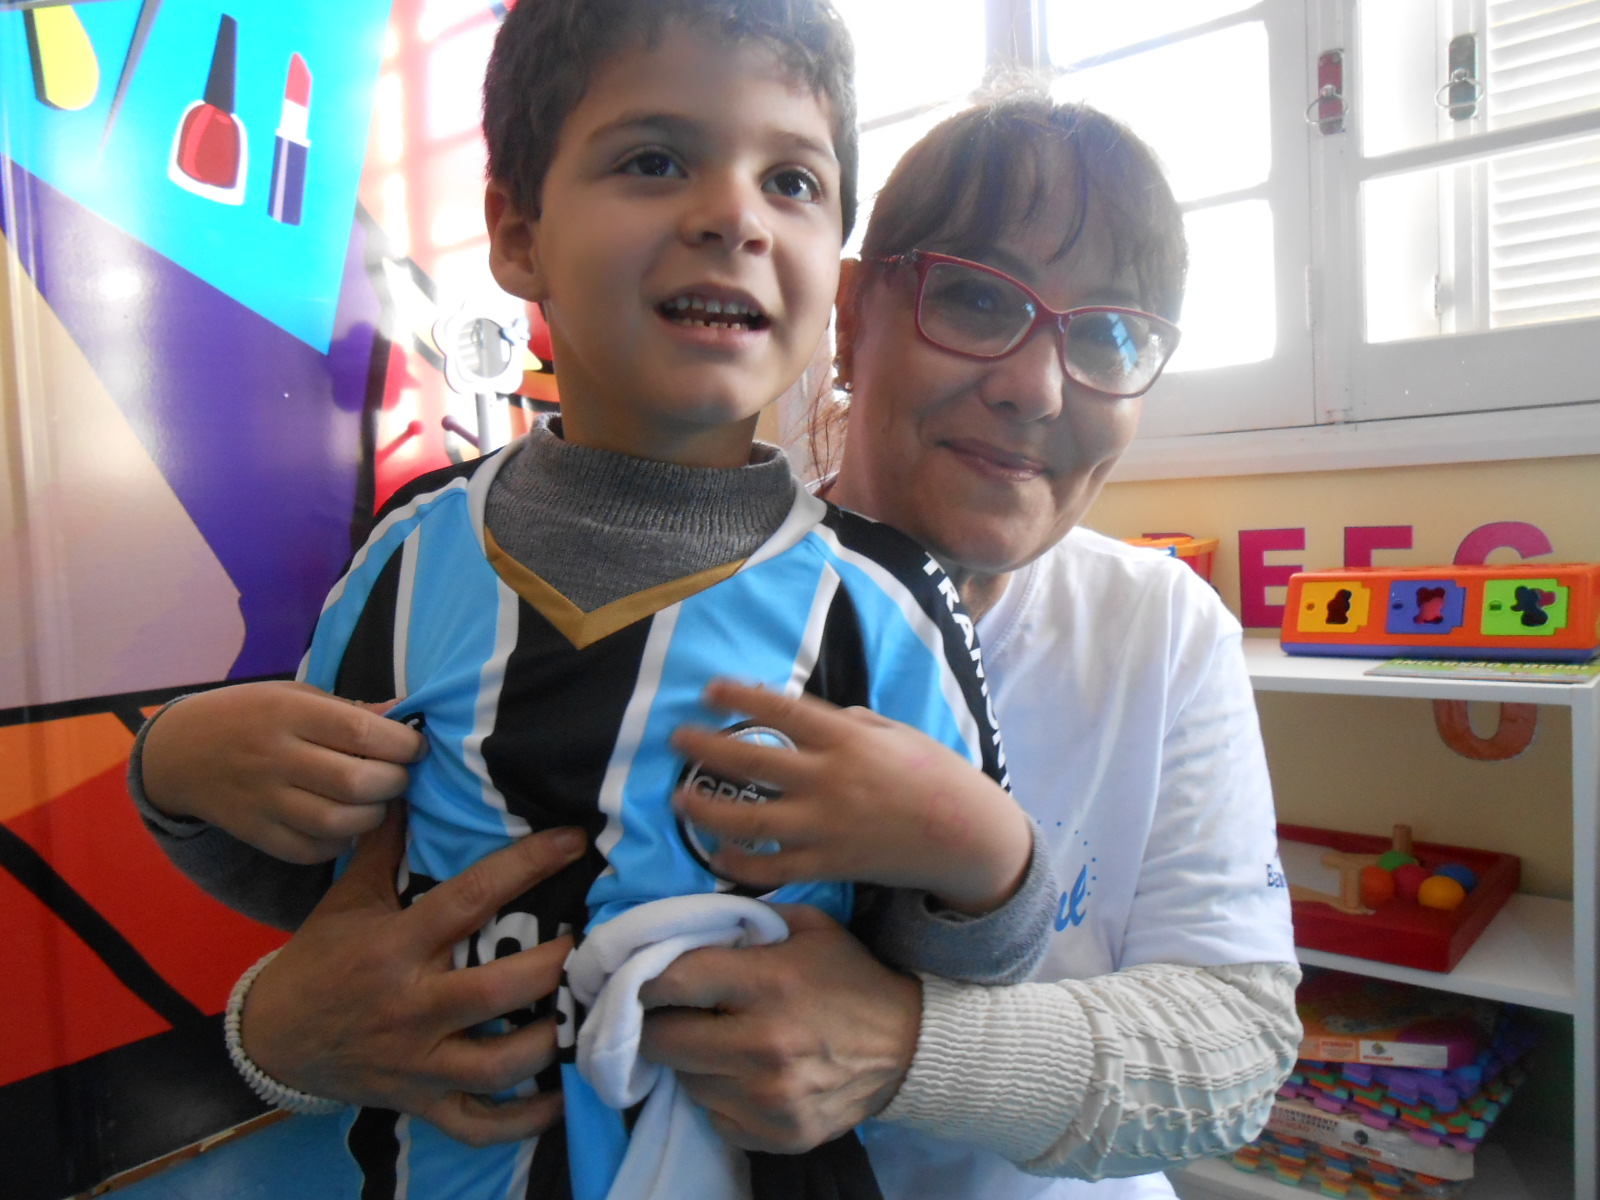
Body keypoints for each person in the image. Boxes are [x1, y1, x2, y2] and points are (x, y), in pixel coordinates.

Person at [134, 88, 1303, 1200]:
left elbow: (1237, 1052)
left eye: (1108, 335)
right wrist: (272, 1025)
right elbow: (378, 894)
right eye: (979, 301)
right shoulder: (555, 576)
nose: (1038, 389)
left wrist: (896, 1046)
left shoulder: (1158, 624)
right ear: (849, 314)